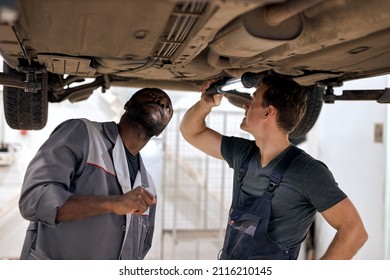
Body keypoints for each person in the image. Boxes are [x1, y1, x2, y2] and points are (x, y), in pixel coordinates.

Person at [179, 72, 368, 260]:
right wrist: (205, 104)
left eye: (252, 101)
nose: (245, 106)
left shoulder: (307, 172)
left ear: (268, 112)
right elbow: (191, 131)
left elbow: (354, 232)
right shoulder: (243, 154)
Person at [18, 87, 174, 260]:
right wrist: (113, 203)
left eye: (167, 107)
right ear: (128, 105)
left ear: (160, 131)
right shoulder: (82, 133)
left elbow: (137, 252)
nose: (161, 102)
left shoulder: (147, 185)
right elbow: (34, 199)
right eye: (153, 95)